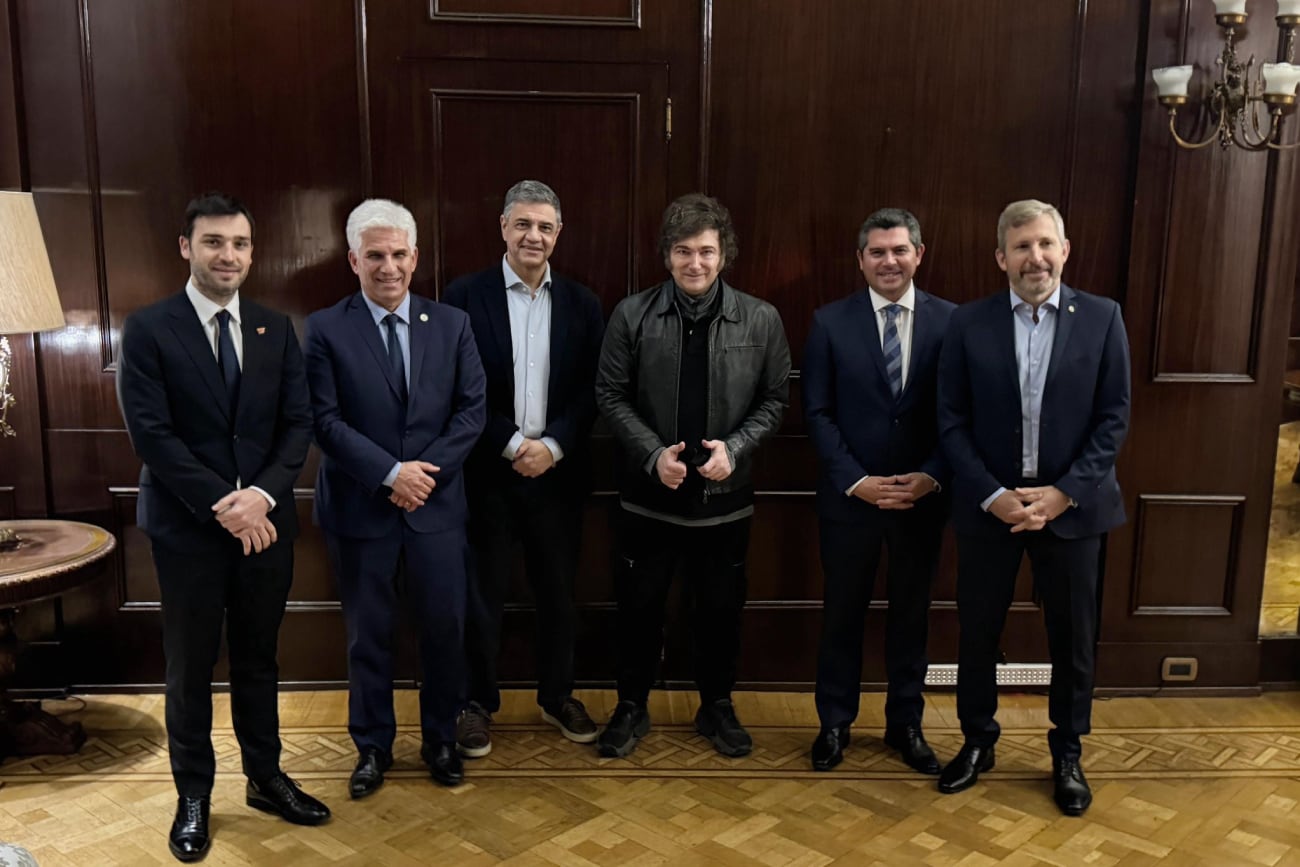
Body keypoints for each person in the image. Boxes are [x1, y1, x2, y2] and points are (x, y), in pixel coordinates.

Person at [117, 192, 329, 863]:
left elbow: (298, 424)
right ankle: (194, 795)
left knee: (259, 658)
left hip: (266, 527)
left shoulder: (274, 327)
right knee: (189, 667)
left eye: (239, 243)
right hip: (188, 530)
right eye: (214, 242)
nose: (228, 255)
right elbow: (152, 433)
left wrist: (262, 495)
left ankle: (266, 779)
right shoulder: (149, 328)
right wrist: (224, 502)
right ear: (186, 247)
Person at [936, 199, 1131, 816]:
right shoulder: (967, 324)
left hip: (1072, 508)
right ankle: (977, 741)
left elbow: (1114, 417)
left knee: (1072, 638)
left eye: (1045, 244)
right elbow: (950, 420)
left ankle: (1067, 752)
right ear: (1001, 257)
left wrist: (1064, 492)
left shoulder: (1102, 318)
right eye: (1021, 246)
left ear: (1064, 250)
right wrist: (993, 496)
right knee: (978, 631)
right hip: (990, 506)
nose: (1035, 257)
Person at [594, 193, 790, 759]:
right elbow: (608, 393)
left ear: (724, 253)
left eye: (707, 251)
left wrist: (738, 446)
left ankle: (717, 706)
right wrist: (653, 454)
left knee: (720, 612)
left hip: (725, 500)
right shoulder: (631, 314)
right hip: (648, 498)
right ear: (667, 255)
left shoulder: (761, 317)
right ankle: (630, 706)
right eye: (684, 251)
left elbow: (775, 400)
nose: (696, 263)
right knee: (637, 610)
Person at [303, 199, 486, 798]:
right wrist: (389, 474)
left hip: (436, 508)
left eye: (399, 254)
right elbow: (324, 421)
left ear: (415, 257)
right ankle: (373, 747)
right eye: (375, 255)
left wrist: (420, 476)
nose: (389, 267)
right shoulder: (325, 328)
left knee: (443, 630)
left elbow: (471, 412)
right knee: (368, 636)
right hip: (361, 510)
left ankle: (439, 739)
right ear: (354, 260)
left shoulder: (452, 324)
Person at [444, 180, 605, 756]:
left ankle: (558, 695)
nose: (533, 235)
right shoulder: (463, 297)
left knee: (558, 594)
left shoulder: (584, 305)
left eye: (544, 227)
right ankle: (474, 703)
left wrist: (554, 445)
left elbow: (594, 389)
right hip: (486, 474)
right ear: (503, 229)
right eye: (522, 224)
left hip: (559, 477)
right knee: (480, 593)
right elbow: (458, 390)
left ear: (558, 235)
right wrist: (513, 445)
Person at [803, 208, 954, 774]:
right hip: (851, 502)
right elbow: (816, 413)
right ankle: (834, 724)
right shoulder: (829, 322)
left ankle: (905, 725)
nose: (889, 261)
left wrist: (931, 476)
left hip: (922, 499)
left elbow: (958, 415)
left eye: (899, 250)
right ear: (860, 259)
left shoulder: (950, 322)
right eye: (877, 252)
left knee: (912, 616)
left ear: (919, 253)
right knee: (842, 613)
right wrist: (857, 481)